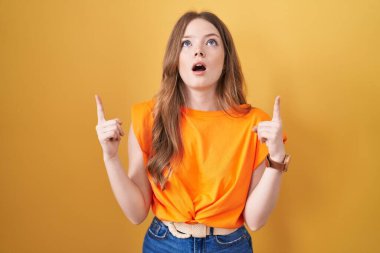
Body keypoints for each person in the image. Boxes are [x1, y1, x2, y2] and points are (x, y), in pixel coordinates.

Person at [95, 11, 290, 253]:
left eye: (211, 42)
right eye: (186, 43)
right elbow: (136, 213)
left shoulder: (255, 124)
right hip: (164, 244)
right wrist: (111, 158)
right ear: (175, 59)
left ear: (226, 58)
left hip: (229, 246)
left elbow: (255, 220)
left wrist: (277, 160)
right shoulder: (149, 117)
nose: (199, 51)